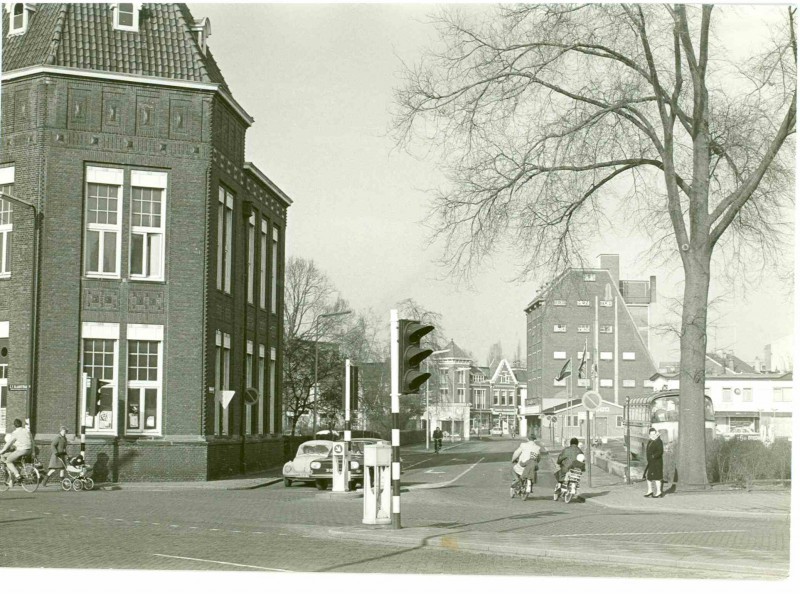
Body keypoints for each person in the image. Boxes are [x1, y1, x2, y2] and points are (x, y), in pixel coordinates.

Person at [0, 418, 33, 485]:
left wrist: (2, 451)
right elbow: (32, 441)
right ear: (21, 424)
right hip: (29, 450)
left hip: (21, 450)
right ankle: (12, 481)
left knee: (8, 461)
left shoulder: (15, 433)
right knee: (17, 462)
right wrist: (33, 451)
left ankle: (17, 476)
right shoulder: (27, 431)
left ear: (14, 425)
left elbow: (9, 443)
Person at [643, 427, 664, 498]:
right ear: (649, 435)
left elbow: (660, 451)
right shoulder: (650, 441)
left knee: (657, 477)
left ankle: (659, 492)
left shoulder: (658, 441)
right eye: (651, 434)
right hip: (651, 462)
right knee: (649, 477)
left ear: (656, 434)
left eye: (654, 434)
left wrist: (653, 456)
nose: (653, 435)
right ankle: (650, 491)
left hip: (657, 462)